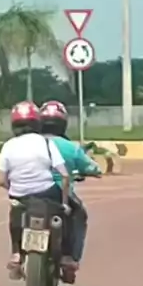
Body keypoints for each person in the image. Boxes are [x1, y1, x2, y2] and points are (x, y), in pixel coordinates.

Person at [0, 101, 73, 271]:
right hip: (46, 193)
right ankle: (66, 256)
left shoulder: (8, 146)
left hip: (19, 195)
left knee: (15, 215)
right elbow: (65, 175)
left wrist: (14, 189)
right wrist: (65, 203)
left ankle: (16, 253)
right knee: (65, 215)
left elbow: (1, 180)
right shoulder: (46, 143)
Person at [39, 100, 102, 270]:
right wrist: (93, 171)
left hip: (32, 192)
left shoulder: (30, 144)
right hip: (60, 193)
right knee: (79, 214)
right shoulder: (70, 148)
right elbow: (92, 167)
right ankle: (70, 257)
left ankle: (16, 252)